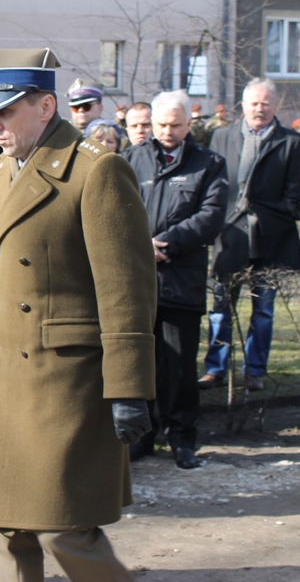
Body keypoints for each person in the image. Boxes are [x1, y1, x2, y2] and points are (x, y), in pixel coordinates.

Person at [0, 48, 155, 582]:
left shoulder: (96, 171)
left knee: (62, 525)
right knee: (1, 527)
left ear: (46, 107)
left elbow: (126, 289)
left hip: (64, 380)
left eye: (7, 112)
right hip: (4, 374)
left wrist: (128, 387)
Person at [120, 90, 229, 470]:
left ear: (188, 124)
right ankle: (142, 436)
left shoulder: (209, 163)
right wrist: (140, 247)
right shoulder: (130, 159)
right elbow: (112, 209)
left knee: (179, 365)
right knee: (140, 362)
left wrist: (166, 245)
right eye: (160, 124)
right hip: (135, 279)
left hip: (179, 278)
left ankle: (182, 438)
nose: (166, 131)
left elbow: (211, 215)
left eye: (175, 125)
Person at [201, 78, 300, 392]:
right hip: (229, 235)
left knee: (262, 309)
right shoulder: (221, 136)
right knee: (221, 306)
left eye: (265, 103)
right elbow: (210, 183)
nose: (259, 109)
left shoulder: (290, 141)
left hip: (271, 239)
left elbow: (296, 190)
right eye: (254, 103)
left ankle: (254, 371)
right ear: (243, 106)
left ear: (275, 106)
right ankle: (215, 369)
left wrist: (281, 213)